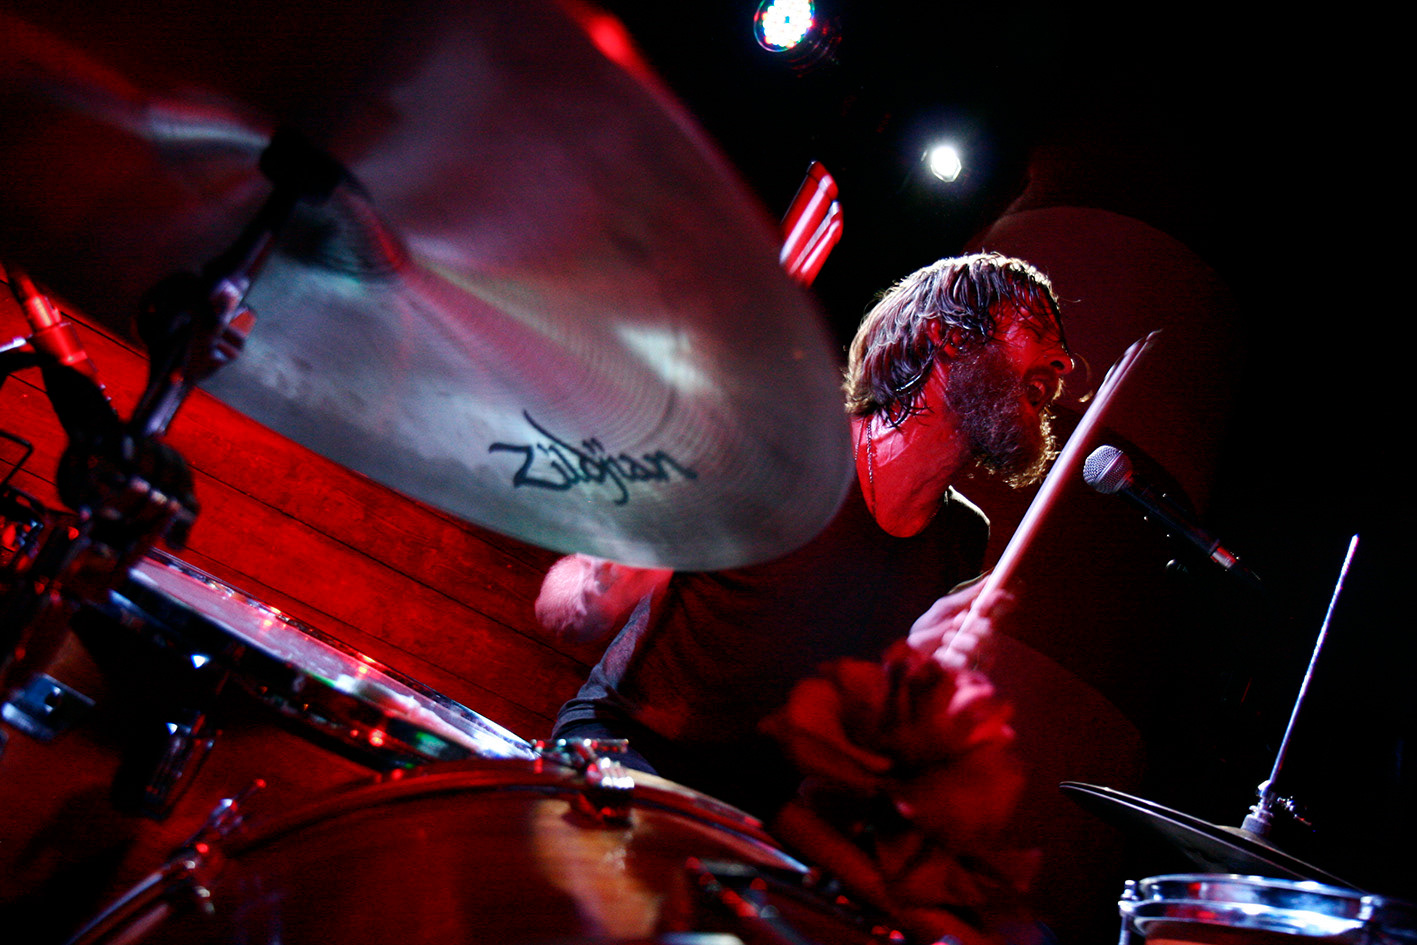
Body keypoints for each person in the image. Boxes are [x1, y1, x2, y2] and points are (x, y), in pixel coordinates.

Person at [535, 252, 1075, 819]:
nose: (1063, 362)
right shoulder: (773, 442)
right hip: (629, 752)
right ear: (948, 336)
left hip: (763, 812)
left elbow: (856, 747)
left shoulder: (961, 537)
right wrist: (598, 586)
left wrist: (911, 690)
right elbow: (559, 601)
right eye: (1037, 330)